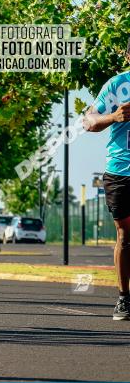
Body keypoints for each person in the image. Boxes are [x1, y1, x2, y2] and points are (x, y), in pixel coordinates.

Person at [83, 41, 130, 320]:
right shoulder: (117, 85)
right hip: (121, 171)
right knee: (125, 235)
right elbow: (88, 121)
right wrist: (114, 116)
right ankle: (124, 297)